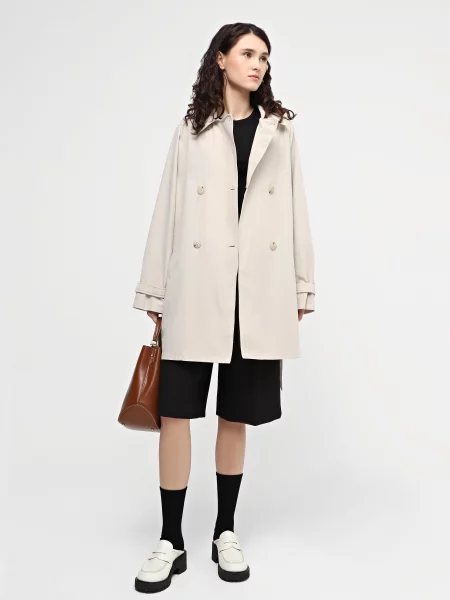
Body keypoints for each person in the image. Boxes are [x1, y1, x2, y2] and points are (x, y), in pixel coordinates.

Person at [132, 22, 315, 593]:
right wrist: (155, 292)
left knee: (235, 414)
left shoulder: (279, 131)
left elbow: (296, 210)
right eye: (248, 53)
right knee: (176, 412)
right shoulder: (191, 129)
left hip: (256, 290)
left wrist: (300, 287)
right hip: (195, 285)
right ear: (220, 59)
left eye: (265, 56)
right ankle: (171, 539)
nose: (258, 64)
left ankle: (224, 531)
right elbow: (167, 209)